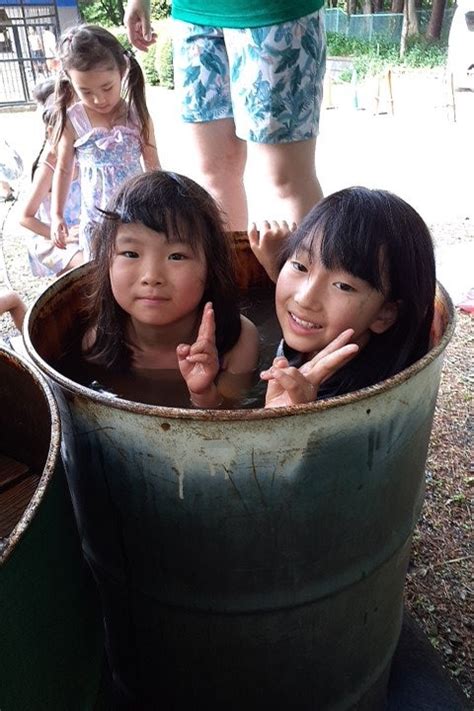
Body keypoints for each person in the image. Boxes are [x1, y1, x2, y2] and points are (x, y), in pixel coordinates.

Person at [124, 0, 326, 231]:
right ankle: (232, 267)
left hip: (274, 12)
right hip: (194, 17)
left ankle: (310, 265)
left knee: (287, 180)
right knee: (214, 176)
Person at [82, 170, 260, 408]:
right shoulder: (98, 340)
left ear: (210, 270)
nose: (151, 277)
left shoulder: (237, 340)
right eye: (131, 253)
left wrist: (204, 394)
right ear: (107, 265)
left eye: (176, 256)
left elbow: (238, 424)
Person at [249, 187, 436, 408]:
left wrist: (283, 421)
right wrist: (276, 266)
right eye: (300, 266)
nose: (304, 299)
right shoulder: (313, 331)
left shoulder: (357, 403)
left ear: (385, 314)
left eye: (343, 286)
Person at [50, 24, 160, 260]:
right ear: (70, 81)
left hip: (136, 213)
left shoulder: (137, 115)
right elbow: (63, 168)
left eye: (107, 87)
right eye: (86, 91)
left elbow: (153, 166)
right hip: (96, 218)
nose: (99, 99)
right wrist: (57, 213)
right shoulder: (74, 120)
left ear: (123, 70)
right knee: (100, 271)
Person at [19, 93, 83, 277]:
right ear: (50, 132)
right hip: (52, 240)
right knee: (91, 265)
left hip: (79, 231)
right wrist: (64, 236)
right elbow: (25, 218)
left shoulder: (81, 158)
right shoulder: (48, 168)